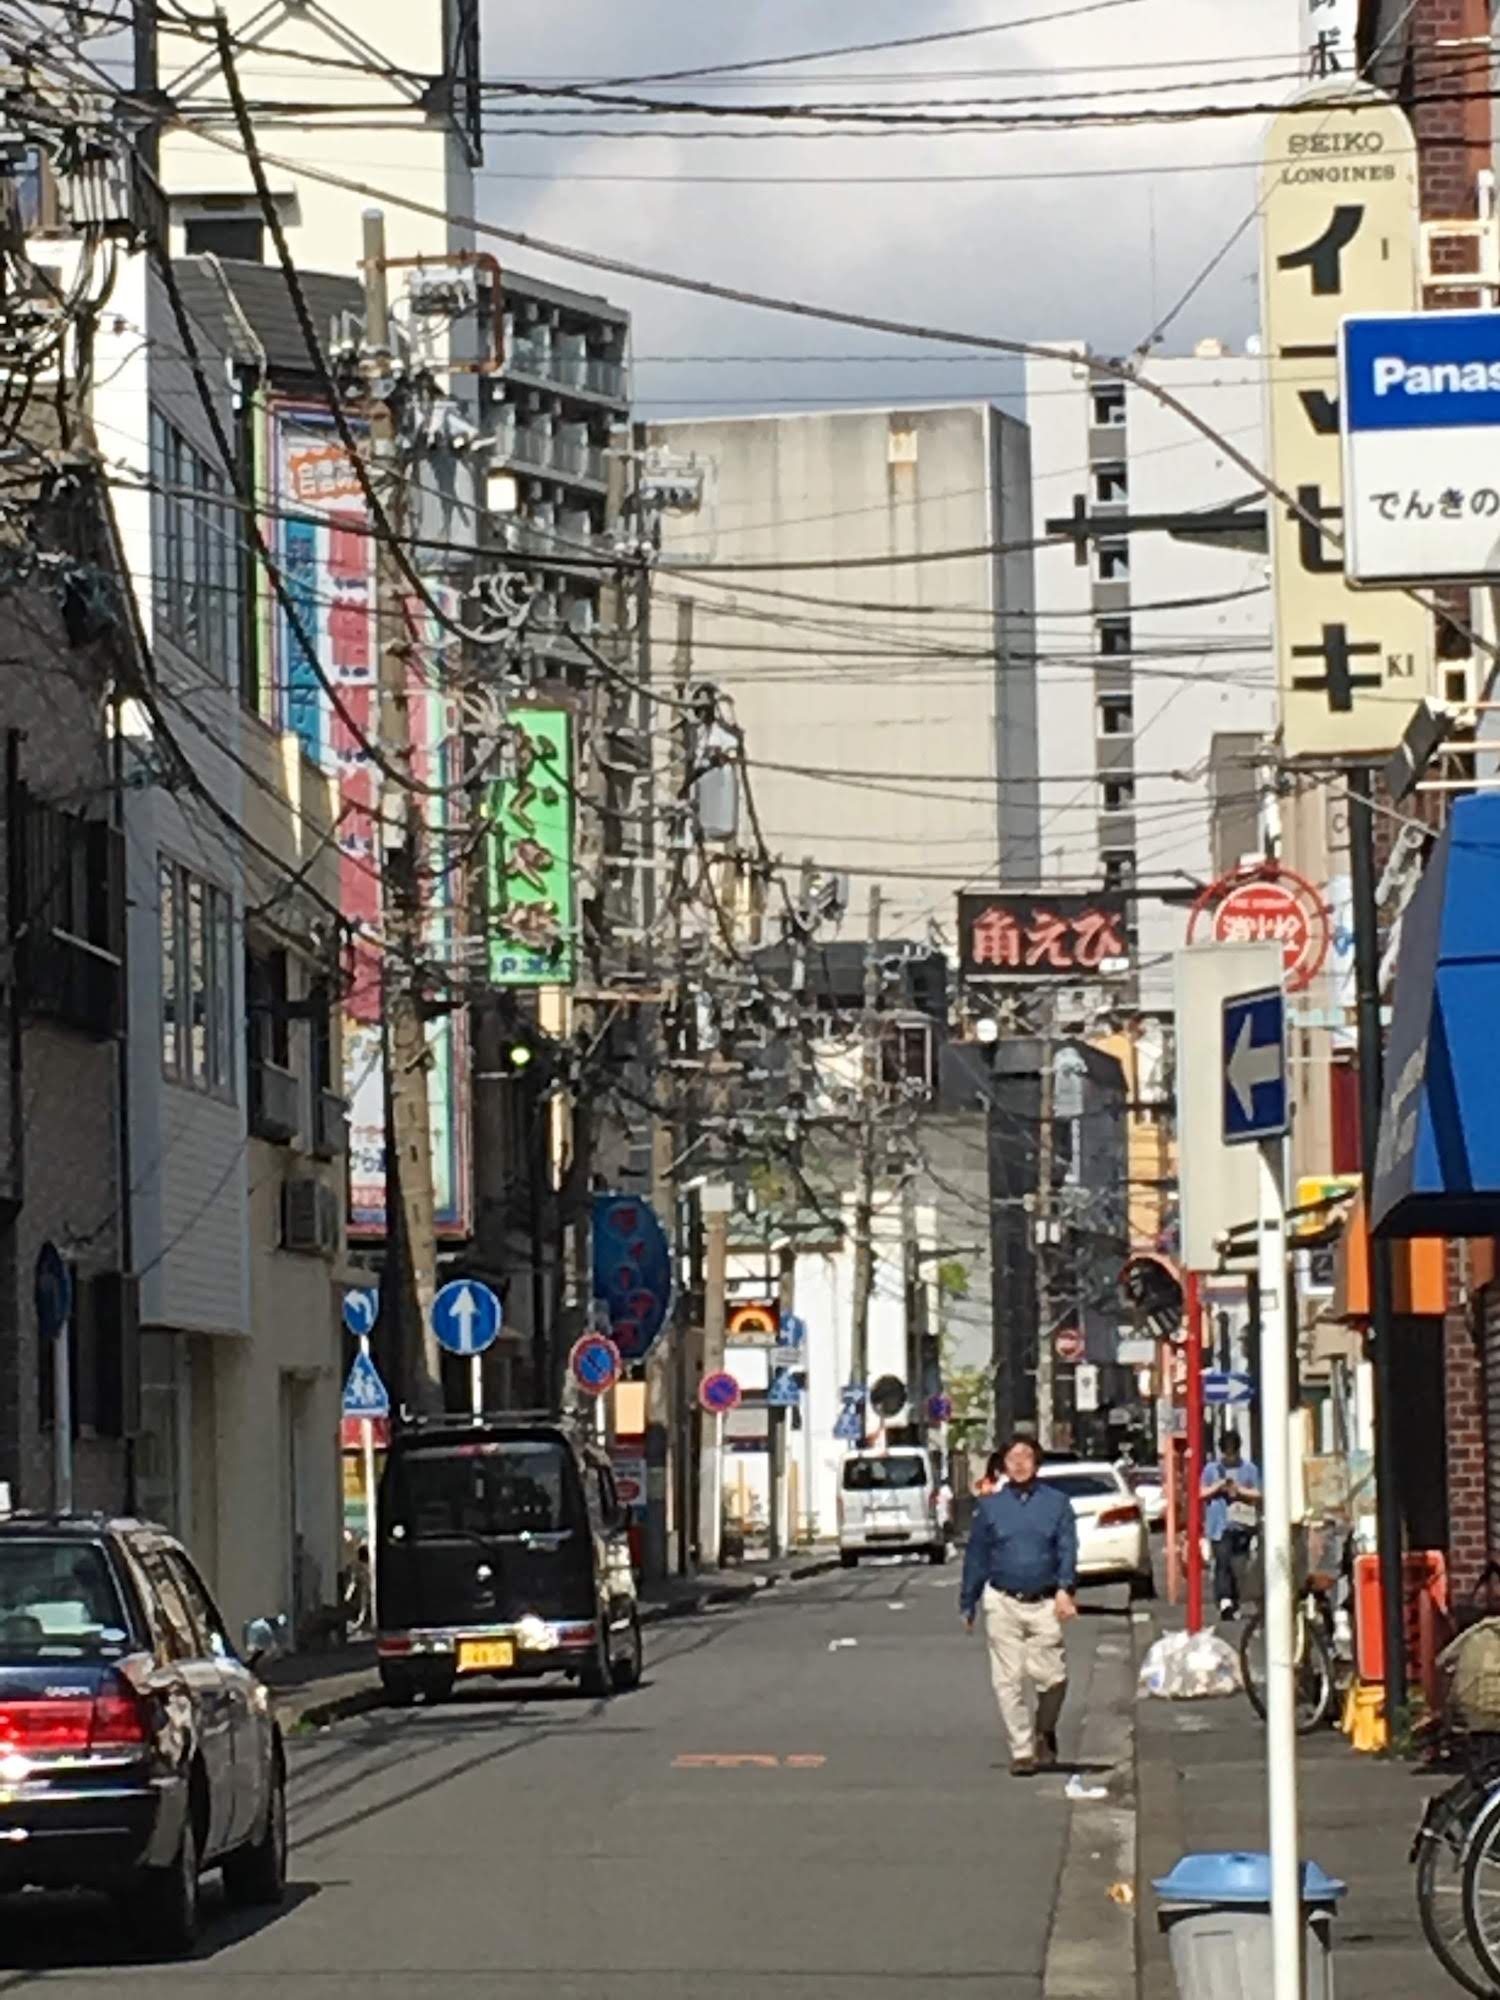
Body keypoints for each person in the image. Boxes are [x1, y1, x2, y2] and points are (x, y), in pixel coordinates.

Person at [960, 1435, 1078, 1776]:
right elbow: (977, 1556)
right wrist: (968, 1601)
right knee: (1007, 1680)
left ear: (1037, 1462)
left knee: (1053, 1677)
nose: (1019, 1462)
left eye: (1026, 1455)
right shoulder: (991, 1507)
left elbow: (1067, 1547)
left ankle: (1045, 1729)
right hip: (1002, 1600)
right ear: (1003, 1464)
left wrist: (1065, 1588)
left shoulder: (1056, 1504)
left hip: (1043, 1601)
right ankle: (1022, 1750)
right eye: (1012, 1457)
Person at [1201, 1427, 1262, 1620]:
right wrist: (1218, 1486)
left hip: (1242, 1524)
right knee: (1222, 1562)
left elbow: (1259, 1493)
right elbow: (1200, 1493)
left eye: (1232, 1451)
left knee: (1239, 1566)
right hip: (1219, 1526)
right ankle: (1224, 1600)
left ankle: (1234, 1600)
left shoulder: (1249, 1469)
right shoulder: (1212, 1469)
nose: (1229, 1455)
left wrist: (1239, 1490)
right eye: (1226, 1451)